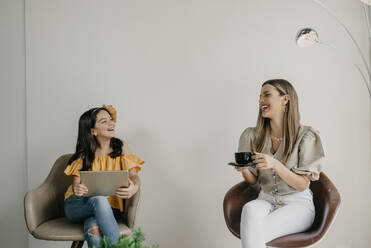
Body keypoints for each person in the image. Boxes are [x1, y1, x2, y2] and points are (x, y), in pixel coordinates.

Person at [234, 79, 324, 248]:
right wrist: (244, 170)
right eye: (260, 96)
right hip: (265, 199)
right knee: (249, 209)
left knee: (255, 233)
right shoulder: (252, 135)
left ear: (285, 100)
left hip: (297, 204)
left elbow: (302, 184)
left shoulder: (306, 136)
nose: (261, 101)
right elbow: (254, 182)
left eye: (266, 95)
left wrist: (275, 164)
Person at [63, 105, 144, 248]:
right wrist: (78, 188)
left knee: (93, 230)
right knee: (99, 200)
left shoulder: (121, 147)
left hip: (108, 210)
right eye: (104, 121)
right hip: (77, 205)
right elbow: (76, 184)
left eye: (111, 120)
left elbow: (134, 175)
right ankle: (121, 246)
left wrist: (134, 188)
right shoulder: (83, 154)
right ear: (93, 131)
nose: (111, 123)